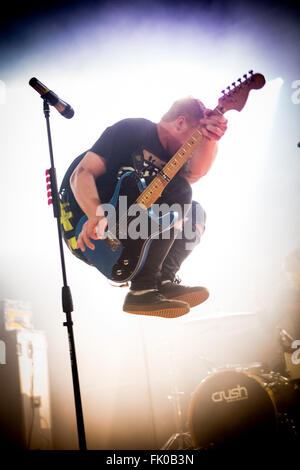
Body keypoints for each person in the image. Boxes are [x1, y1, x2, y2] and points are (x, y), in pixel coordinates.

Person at [59, 97, 227, 318]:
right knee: (144, 185)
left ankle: (161, 280)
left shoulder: (176, 164)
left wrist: (210, 140)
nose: (192, 149)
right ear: (180, 123)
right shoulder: (131, 131)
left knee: (193, 210)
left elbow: (195, 174)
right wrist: (96, 215)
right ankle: (143, 288)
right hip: (89, 226)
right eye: (194, 140)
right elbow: (82, 174)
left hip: (135, 225)